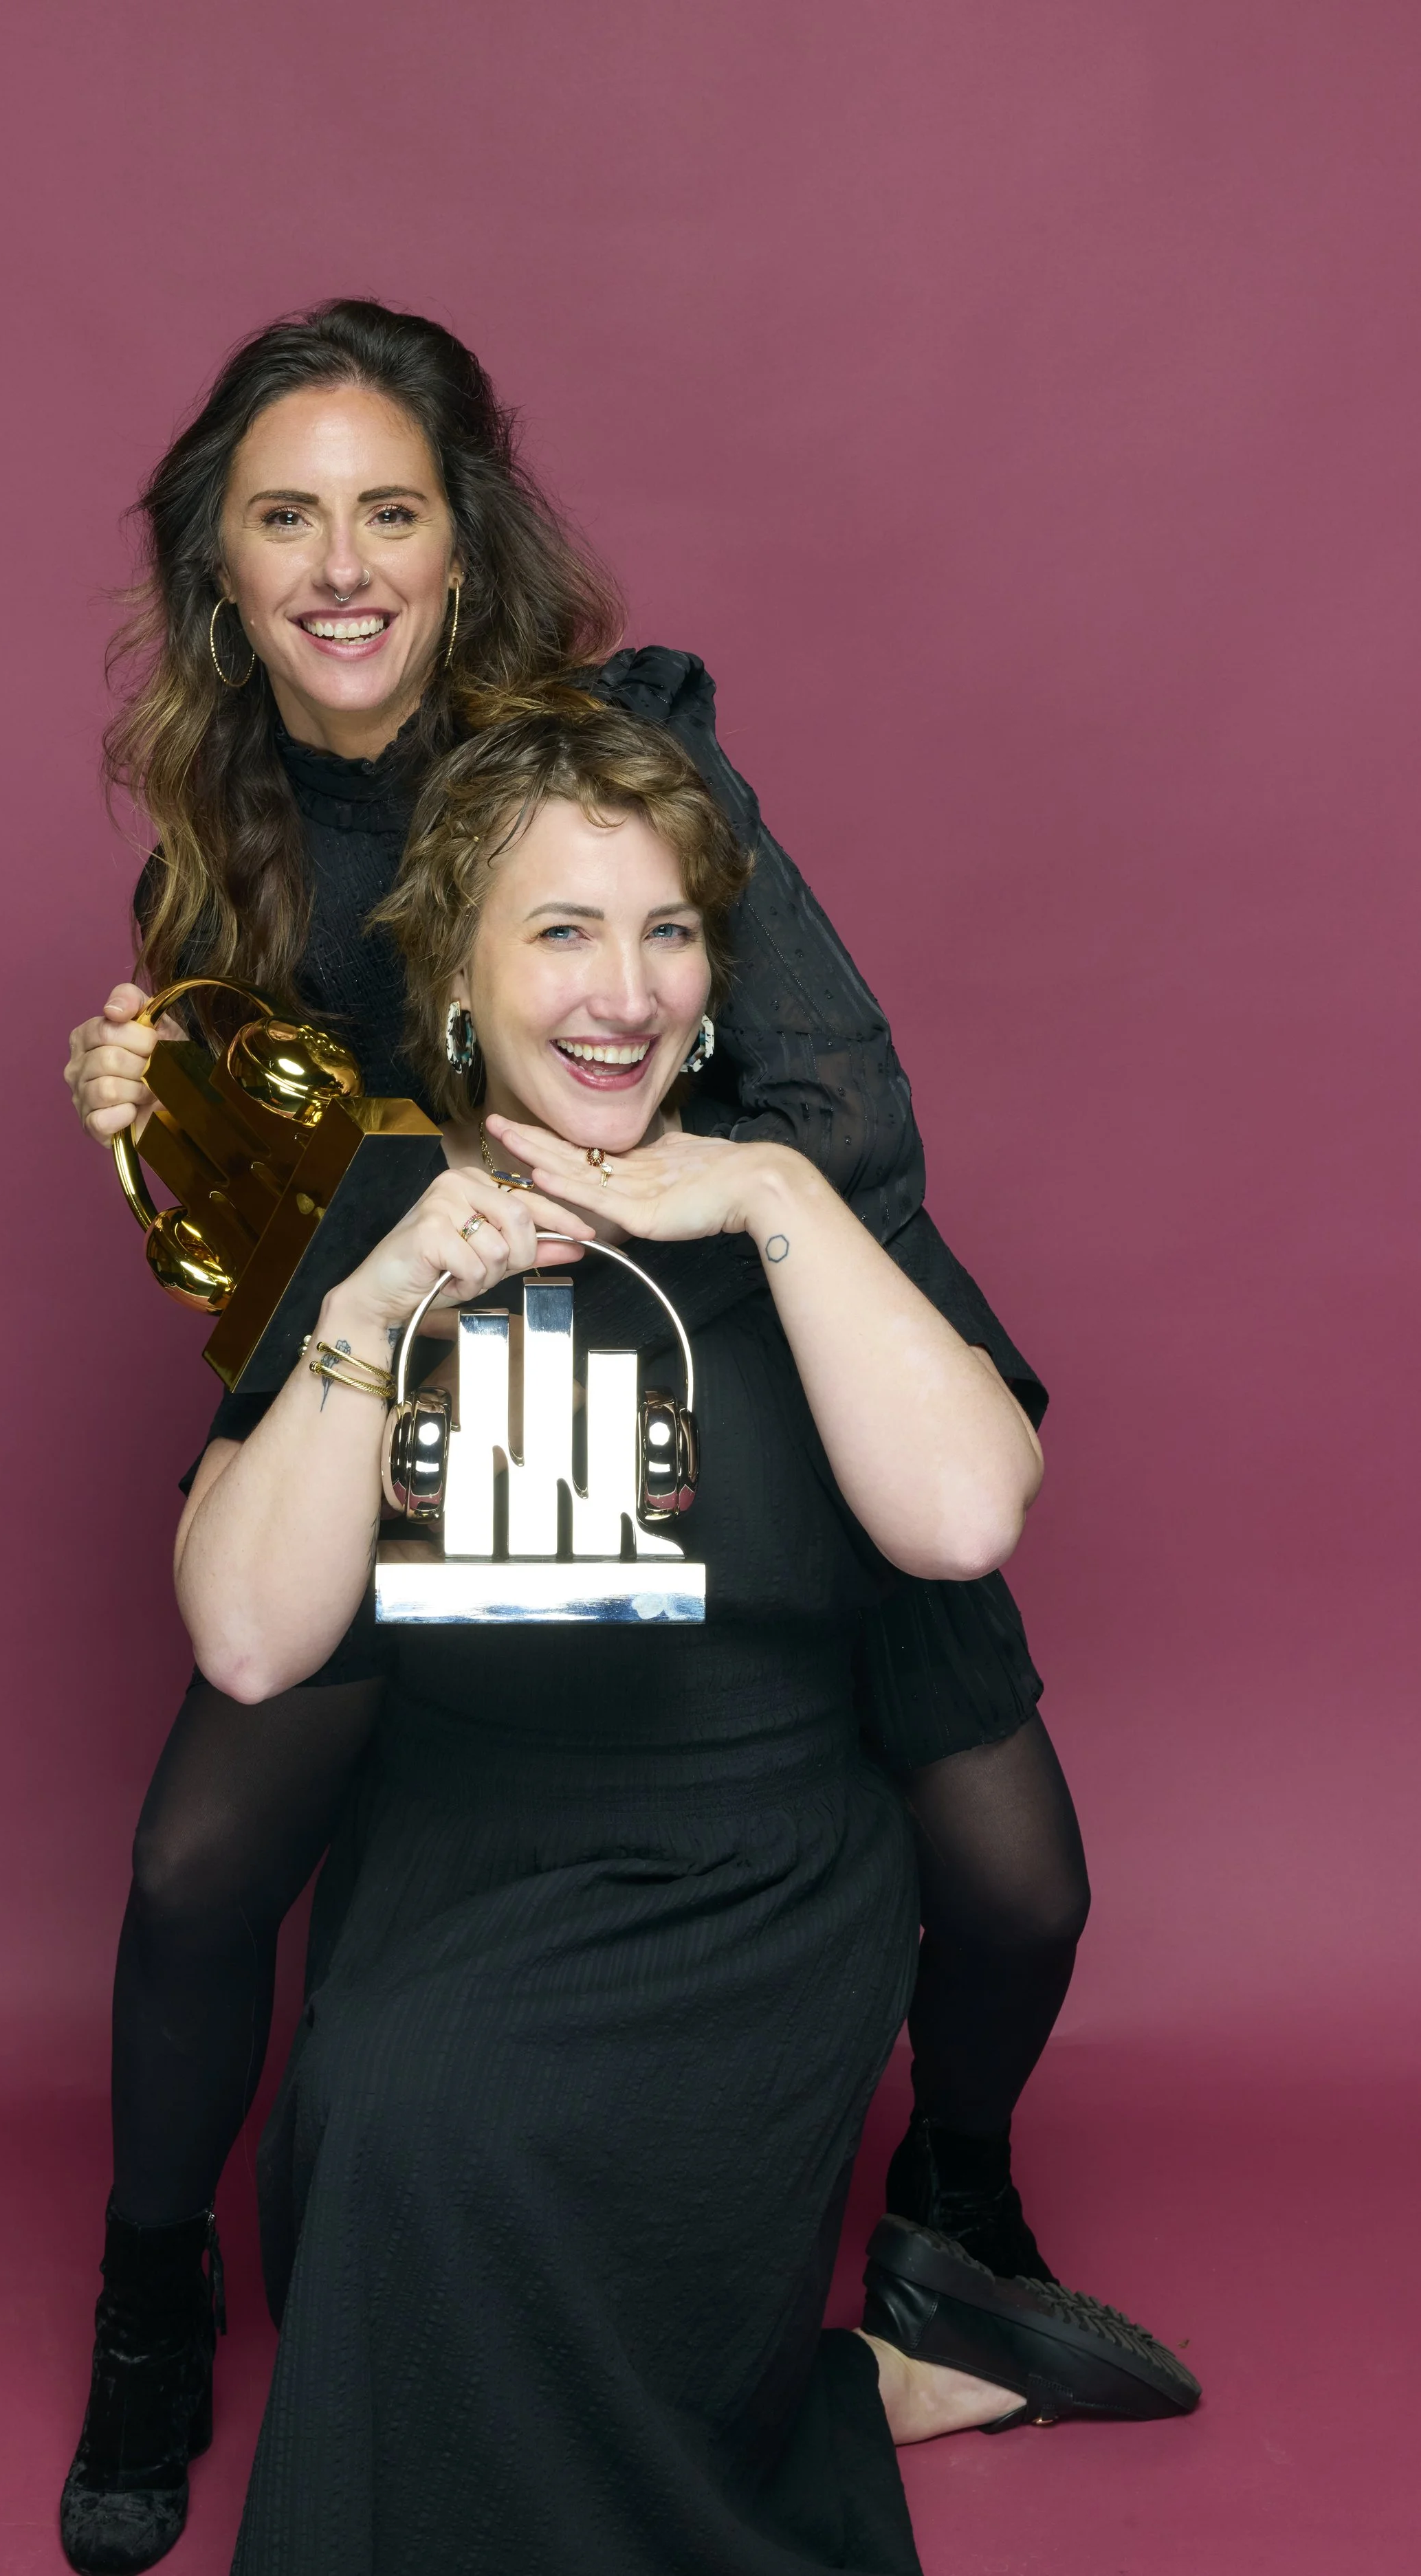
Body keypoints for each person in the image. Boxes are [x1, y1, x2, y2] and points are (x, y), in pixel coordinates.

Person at [59, 300, 1119, 2575]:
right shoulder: (222, 836)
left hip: (756, 1337)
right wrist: (165, 1123)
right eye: (285, 518)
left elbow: (835, 1102)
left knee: (1020, 1870)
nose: (342, 565)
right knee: (195, 1860)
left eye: (391, 512)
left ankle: (951, 2212)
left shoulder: (616, 763)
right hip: (447, 1352)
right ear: (218, 561)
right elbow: (271, 1232)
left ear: (466, 543)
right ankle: (155, 2290)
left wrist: (727, 1245)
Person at [172, 696, 1193, 2576]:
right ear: (457, 977)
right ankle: (872, 2386)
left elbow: (966, 1516)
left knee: (461, 2164)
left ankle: (815, 2390)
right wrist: (381, 1300)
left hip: (757, 1880)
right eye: (563, 932)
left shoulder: (799, 1199)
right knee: (388, 2165)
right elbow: (246, 1638)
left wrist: (772, 1193)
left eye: (666, 933)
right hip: (466, 1859)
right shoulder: (377, 1210)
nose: (623, 992)